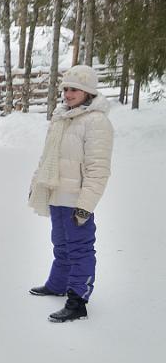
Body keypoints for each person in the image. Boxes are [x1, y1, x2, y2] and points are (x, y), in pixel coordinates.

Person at [28, 64, 113, 323]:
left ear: (87, 91)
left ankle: (78, 300)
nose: (67, 94)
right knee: (61, 244)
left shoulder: (96, 121)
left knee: (80, 248)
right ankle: (57, 284)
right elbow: (47, 158)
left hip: (76, 198)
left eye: (74, 89)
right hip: (57, 194)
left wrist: (85, 205)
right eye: (65, 88)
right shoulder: (61, 117)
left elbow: (98, 169)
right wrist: (36, 183)